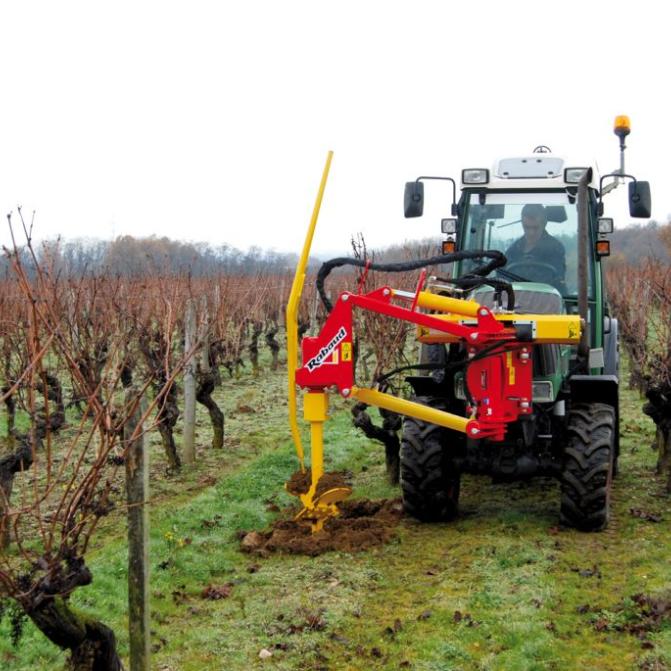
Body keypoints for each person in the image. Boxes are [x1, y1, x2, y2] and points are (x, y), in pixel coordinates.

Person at [505, 204, 566, 286]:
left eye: (535, 228)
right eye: (527, 227)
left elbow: (557, 277)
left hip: (547, 295)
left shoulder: (555, 248)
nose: (531, 233)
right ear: (522, 224)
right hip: (517, 296)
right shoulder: (513, 250)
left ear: (544, 224)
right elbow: (503, 277)